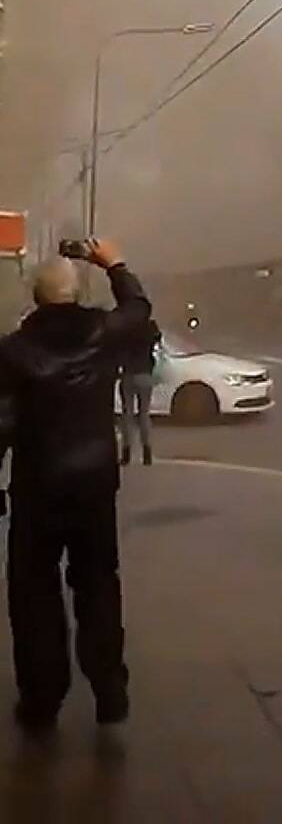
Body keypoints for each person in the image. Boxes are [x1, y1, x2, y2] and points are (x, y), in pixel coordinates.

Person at [0, 239, 152, 734]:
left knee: (34, 591)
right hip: (93, 481)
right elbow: (138, 307)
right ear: (74, 293)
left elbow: (0, 424)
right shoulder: (103, 333)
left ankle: (43, 697)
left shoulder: (13, 352)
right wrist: (111, 261)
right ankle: (109, 691)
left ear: (36, 299)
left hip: (38, 485)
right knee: (98, 583)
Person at [119, 316, 161, 466]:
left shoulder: (124, 327)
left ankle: (126, 452)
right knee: (144, 413)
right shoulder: (149, 327)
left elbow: (117, 349)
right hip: (144, 373)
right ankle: (147, 451)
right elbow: (157, 341)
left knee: (127, 414)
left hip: (128, 373)